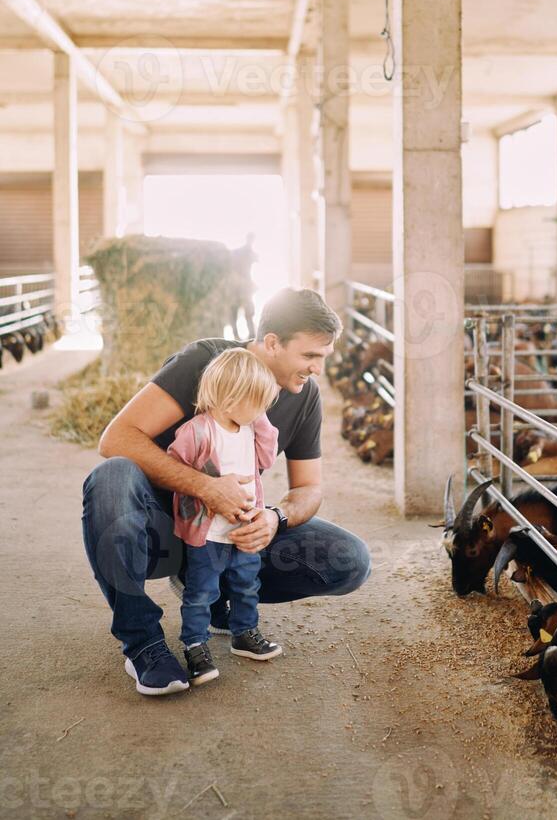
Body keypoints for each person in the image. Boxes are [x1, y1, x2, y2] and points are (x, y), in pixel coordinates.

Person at [82, 288, 371, 696]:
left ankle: (218, 598)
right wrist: (204, 486)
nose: (318, 370)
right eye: (310, 356)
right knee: (110, 478)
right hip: (162, 529)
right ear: (272, 342)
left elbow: (308, 488)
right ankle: (142, 642)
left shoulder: (303, 396)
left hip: (230, 533)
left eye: (322, 358)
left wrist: (275, 518)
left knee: (351, 561)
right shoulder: (205, 361)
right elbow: (117, 438)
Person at [169, 348, 282, 690]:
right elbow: (175, 469)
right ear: (231, 399)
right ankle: (195, 645)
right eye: (258, 402)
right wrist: (204, 491)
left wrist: (260, 419)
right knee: (202, 591)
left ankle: (244, 633)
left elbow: (268, 458)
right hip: (210, 535)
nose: (263, 410)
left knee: (247, 585)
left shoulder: (249, 430)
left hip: (245, 530)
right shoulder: (199, 431)